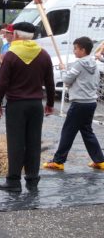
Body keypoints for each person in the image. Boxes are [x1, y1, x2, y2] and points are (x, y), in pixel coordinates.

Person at [0, 22, 55, 193]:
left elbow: (2, 83)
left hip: (16, 105)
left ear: (17, 36)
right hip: (36, 105)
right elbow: (50, 83)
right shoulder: (43, 55)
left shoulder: (11, 56)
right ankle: (33, 180)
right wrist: (50, 104)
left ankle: (13, 181)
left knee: (16, 143)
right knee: (34, 142)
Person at [44, 36, 104, 171]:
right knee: (87, 132)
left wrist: (63, 69)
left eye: (76, 48)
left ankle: (58, 161)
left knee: (68, 132)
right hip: (91, 102)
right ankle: (100, 160)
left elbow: (66, 80)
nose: (74, 51)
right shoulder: (94, 63)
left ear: (83, 50)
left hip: (79, 103)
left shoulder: (79, 64)